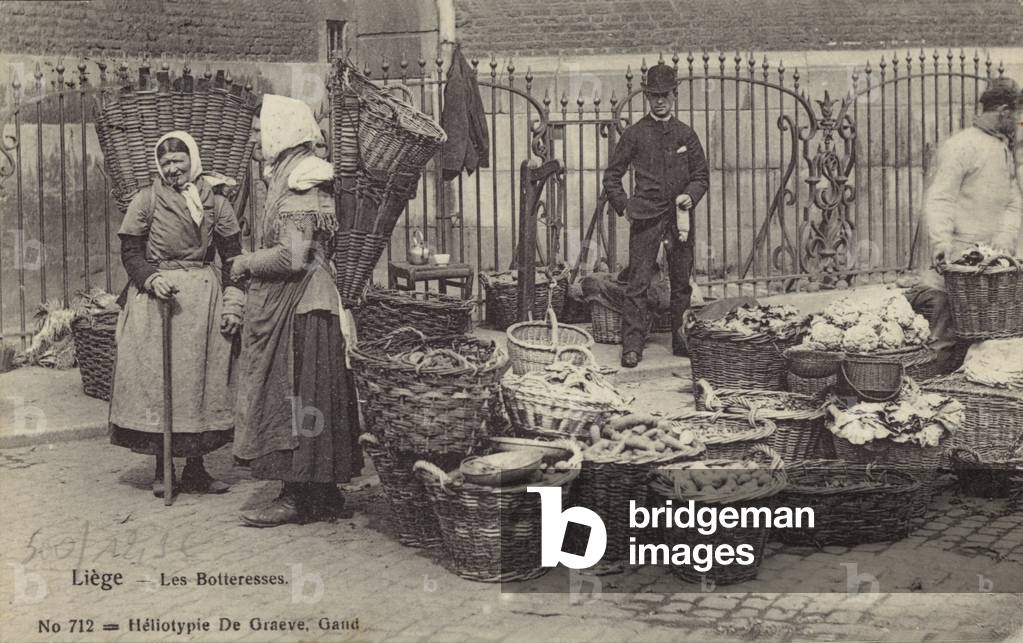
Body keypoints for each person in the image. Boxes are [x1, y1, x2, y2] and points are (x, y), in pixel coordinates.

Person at [231, 94, 362, 527]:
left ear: (281, 131)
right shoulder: (288, 174)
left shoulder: (305, 178)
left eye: (257, 130)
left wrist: (245, 263)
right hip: (305, 305)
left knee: (301, 399)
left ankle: (299, 495)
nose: (253, 138)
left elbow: (294, 256)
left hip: (308, 306)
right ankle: (320, 495)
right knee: (310, 400)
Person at [110, 131, 245, 497]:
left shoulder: (216, 202)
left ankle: (197, 470)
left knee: (200, 384)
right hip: (156, 303)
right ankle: (162, 465)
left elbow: (233, 257)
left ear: (192, 161)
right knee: (158, 383)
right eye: (166, 163)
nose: (172, 169)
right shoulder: (146, 200)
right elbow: (131, 254)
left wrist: (234, 301)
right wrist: (151, 279)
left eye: (179, 162)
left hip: (202, 302)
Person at [908, 77, 1023, 369]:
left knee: (984, 344)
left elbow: (1013, 201)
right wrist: (941, 243)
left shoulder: (1003, 148)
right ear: (1004, 111)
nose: (1020, 122)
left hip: (991, 266)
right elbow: (940, 199)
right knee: (942, 338)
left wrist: (1005, 239)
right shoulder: (961, 146)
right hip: (955, 263)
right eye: (1018, 115)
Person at [602, 63, 710, 368]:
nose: (659, 100)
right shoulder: (636, 134)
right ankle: (632, 346)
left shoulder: (686, 135)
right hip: (646, 218)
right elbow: (612, 176)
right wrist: (625, 206)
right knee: (638, 283)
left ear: (674, 95)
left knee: (681, 282)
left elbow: (701, 175)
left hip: (680, 218)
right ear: (647, 97)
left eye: (664, 95)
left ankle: (681, 340)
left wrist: (690, 195)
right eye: (653, 95)